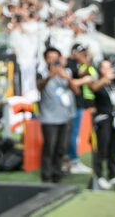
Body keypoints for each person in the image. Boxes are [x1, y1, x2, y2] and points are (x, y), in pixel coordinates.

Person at [36, 47, 78, 183]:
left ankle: (57, 173)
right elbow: (39, 86)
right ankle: (46, 175)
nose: (53, 60)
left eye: (55, 57)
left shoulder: (66, 72)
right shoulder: (42, 72)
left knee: (61, 147)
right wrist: (50, 75)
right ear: (45, 59)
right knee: (49, 147)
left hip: (65, 116)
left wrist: (68, 78)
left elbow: (76, 91)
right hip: (49, 118)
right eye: (50, 57)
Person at [90, 59, 115, 190]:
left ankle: (112, 174)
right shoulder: (98, 82)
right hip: (103, 119)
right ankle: (98, 175)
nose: (108, 70)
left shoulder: (114, 84)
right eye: (105, 67)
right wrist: (105, 78)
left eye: (109, 67)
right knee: (101, 146)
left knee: (114, 148)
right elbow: (94, 88)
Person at [65, 43, 96, 174]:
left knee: (74, 133)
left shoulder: (78, 64)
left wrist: (89, 61)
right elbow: (71, 81)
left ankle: (72, 159)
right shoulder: (69, 64)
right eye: (82, 53)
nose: (84, 56)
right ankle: (73, 160)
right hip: (72, 104)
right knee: (72, 133)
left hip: (79, 103)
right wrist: (84, 80)